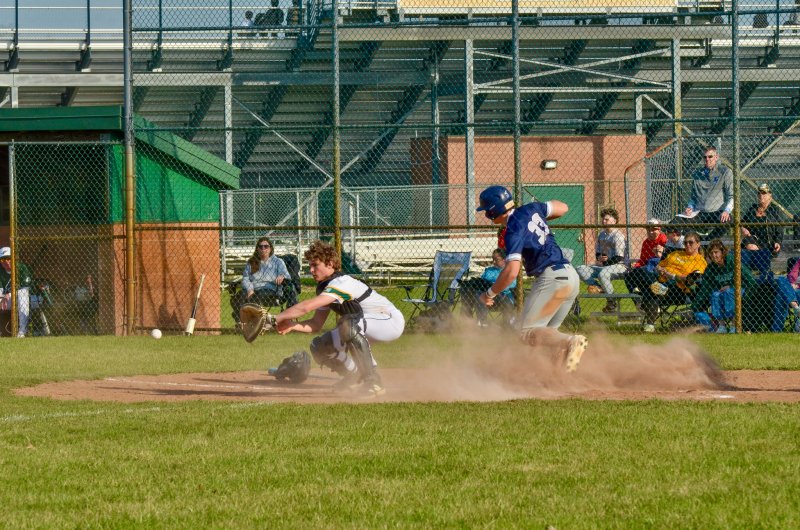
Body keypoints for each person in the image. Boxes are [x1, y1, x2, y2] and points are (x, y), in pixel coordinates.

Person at [474, 185, 588, 372]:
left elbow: (511, 271)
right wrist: (539, 218)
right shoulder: (530, 209)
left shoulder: (512, 229)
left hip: (551, 278)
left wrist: (489, 294)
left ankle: (571, 341)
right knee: (547, 335)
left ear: (493, 211)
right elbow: (563, 207)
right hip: (570, 277)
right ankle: (558, 378)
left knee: (526, 333)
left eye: (487, 211)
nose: (486, 214)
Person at [273, 240, 405, 398]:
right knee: (320, 346)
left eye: (315, 265)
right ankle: (354, 375)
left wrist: (275, 318)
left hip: (389, 321)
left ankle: (373, 382)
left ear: (329, 264)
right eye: (310, 266)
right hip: (363, 323)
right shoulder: (327, 287)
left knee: (347, 325)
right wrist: (292, 325)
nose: (312, 270)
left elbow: (305, 307)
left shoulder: (341, 283)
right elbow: (315, 324)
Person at [641, 231, 707, 333]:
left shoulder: (700, 260)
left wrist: (671, 275)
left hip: (677, 289)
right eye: (685, 243)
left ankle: (650, 324)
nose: (687, 245)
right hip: (660, 280)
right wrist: (660, 270)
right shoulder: (675, 253)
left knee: (651, 289)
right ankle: (654, 287)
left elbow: (691, 278)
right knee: (640, 271)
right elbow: (658, 266)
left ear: (698, 244)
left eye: (691, 242)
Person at [692, 239, 755, 334]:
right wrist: (695, 305)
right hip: (722, 293)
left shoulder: (733, 261)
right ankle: (722, 326)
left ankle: (735, 325)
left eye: (716, 252)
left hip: (739, 289)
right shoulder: (710, 268)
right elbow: (705, 288)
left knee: (729, 292)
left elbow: (750, 279)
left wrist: (732, 285)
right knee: (715, 295)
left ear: (722, 252)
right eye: (711, 253)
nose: (714, 255)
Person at [673, 146, 733, 239]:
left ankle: (708, 242)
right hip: (700, 212)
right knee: (676, 221)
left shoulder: (725, 172)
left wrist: (727, 211)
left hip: (717, 212)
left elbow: (731, 196)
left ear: (716, 157)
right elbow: (693, 197)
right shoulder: (697, 174)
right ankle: (697, 242)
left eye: (710, 156)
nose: (707, 159)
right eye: (705, 157)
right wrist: (690, 207)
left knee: (729, 220)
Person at [231, 237, 291, 328]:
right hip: (253, 289)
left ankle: (258, 323)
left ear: (270, 248)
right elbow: (245, 278)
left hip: (270, 290)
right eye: (261, 246)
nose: (263, 249)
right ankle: (242, 322)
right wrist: (249, 289)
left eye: (266, 246)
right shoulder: (251, 262)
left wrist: (282, 276)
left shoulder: (278, 262)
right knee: (239, 296)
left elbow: (287, 276)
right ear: (257, 249)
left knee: (259, 295)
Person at [576, 207, 627, 313]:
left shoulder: (618, 236)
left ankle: (611, 302)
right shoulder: (602, 234)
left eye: (607, 219)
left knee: (603, 273)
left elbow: (619, 257)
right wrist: (599, 257)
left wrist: (606, 261)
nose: (604, 221)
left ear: (614, 221)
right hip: (605, 266)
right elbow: (598, 253)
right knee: (580, 268)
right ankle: (601, 288)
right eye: (603, 219)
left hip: (620, 266)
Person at [460, 248, 516, 327]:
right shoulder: (489, 270)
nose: (493, 262)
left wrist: (494, 286)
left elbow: (513, 284)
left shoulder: (510, 270)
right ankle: (477, 322)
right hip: (485, 296)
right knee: (467, 289)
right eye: (493, 259)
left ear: (504, 259)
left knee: (480, 294)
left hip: (502, 297)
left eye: (496, 259)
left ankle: (504, 324)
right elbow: (482, 282)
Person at [624, 218, 668, 299]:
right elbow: (642, 260)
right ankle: (637, 298)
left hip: (659, 266)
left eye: (654, 229)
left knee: (641, 271)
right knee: (628, 275)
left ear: (659, 229)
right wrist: (635, 265)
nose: (650, 232)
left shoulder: (663, 239)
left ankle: (660, 291)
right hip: (647, 267)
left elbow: (667, 257)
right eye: (648, 229)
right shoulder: (646, 242)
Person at [742, 183, 783, 256]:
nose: (761, 195)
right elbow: (742, 223)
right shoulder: (752, 209)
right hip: (753, 240)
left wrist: (778, 242)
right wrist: (743, 229)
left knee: (750, 249)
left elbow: (779, 229)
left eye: (764, 193)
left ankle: (760, 255)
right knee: (749, 245)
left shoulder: (775, 210)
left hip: (769, 244)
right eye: (759, 193)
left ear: (770, 195)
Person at [0, 246, 33, 338]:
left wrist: (8, 295)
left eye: (8, 258)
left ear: (13, 258)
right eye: (2, 260)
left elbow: (25, 289)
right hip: (6, 301)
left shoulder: (22, 268)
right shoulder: (1, 271)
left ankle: (22, 331)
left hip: (25, 299)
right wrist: (3, 297)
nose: (6, 262)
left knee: (22, 294)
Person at [771, 258, 800, 333]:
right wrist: (792, 284)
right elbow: (792, 275)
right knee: (781, 279)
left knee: (782, 295)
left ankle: (776, 330)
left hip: (797, 289)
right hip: (793, 289)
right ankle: (796, 307)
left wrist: (797, 285)